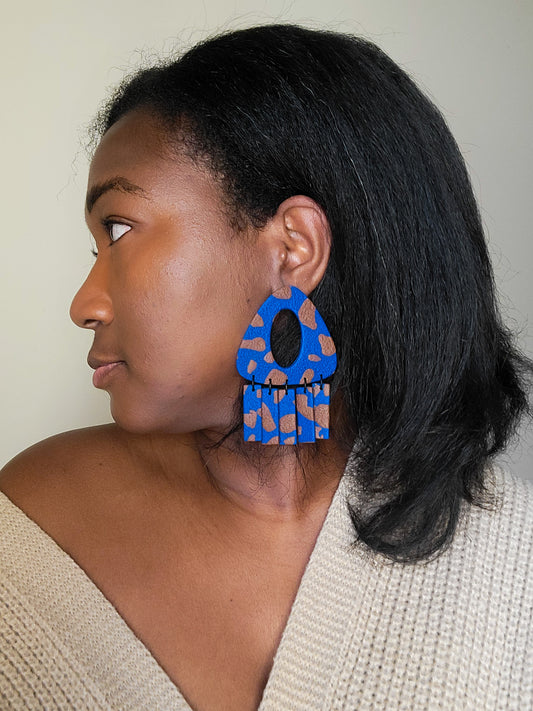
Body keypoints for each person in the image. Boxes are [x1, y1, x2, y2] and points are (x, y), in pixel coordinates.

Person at [0, 23, 531, 711]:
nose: (85, 304)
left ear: (292, 249)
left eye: (120, 230)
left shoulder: (510, 566)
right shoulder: (28, 530)